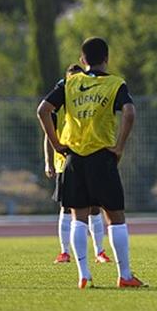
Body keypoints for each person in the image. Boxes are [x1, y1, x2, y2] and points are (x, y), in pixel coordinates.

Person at [36, 37, 146, 289]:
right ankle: (125, 275)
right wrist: (119, 147)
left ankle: (84, 274)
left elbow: (43, 110)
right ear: (106, 58)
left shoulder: (69, 82)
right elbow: (129, 112)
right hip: (102, 156)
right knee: (115, 217)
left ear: (83, 59)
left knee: (78, 218)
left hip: (74, 158)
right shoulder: (115, 83)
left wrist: (56, 144)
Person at [45, 64, 111, 265]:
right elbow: (48, 134)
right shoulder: (57, 105)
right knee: (67, 207)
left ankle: (99, 251)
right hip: (65, 161)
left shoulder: (89, 102)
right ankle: (64, 252)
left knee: (95, 206)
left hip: (89, 156)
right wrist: (49, 161)